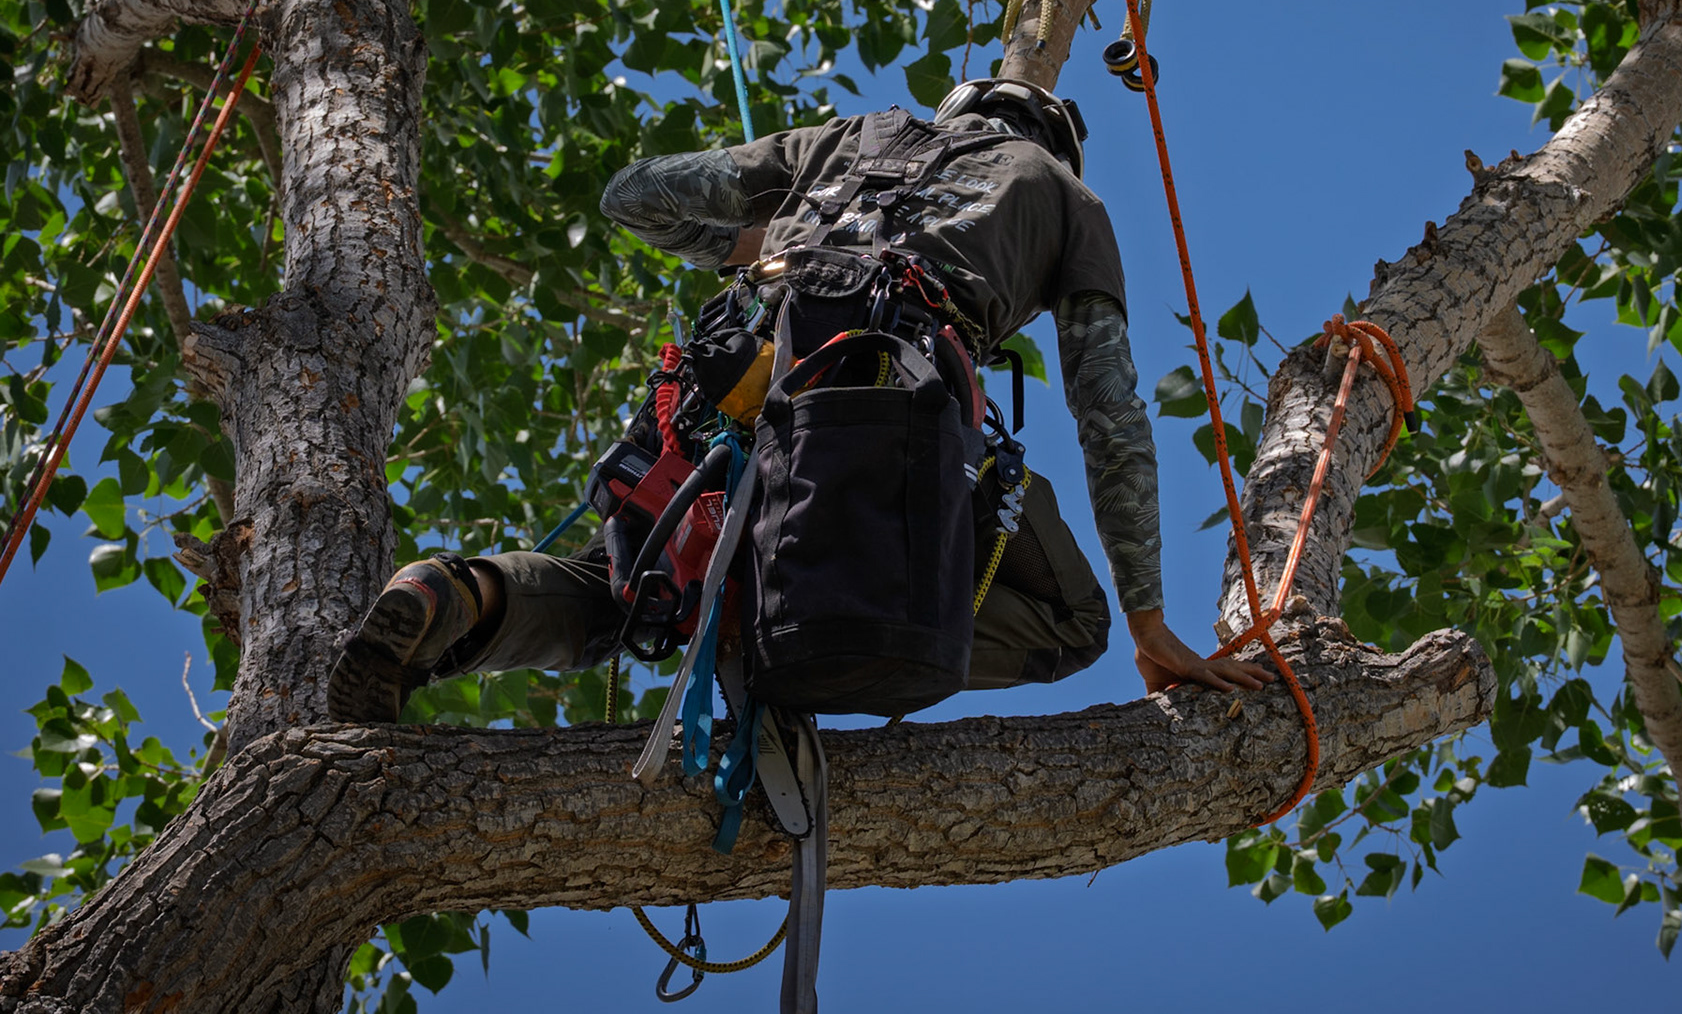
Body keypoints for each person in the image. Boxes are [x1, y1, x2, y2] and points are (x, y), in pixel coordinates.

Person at [327, 79, 1271, 724]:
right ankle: (790, 622)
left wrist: (761, 246)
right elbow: (1107, 409)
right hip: (889, 409)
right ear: (1055, 144)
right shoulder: (1065, 196)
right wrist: (1150, 622)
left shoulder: (850, 139)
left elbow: (632, 196)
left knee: (630, 592)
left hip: (723, 385)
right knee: (1077, 624)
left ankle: (451, 594)